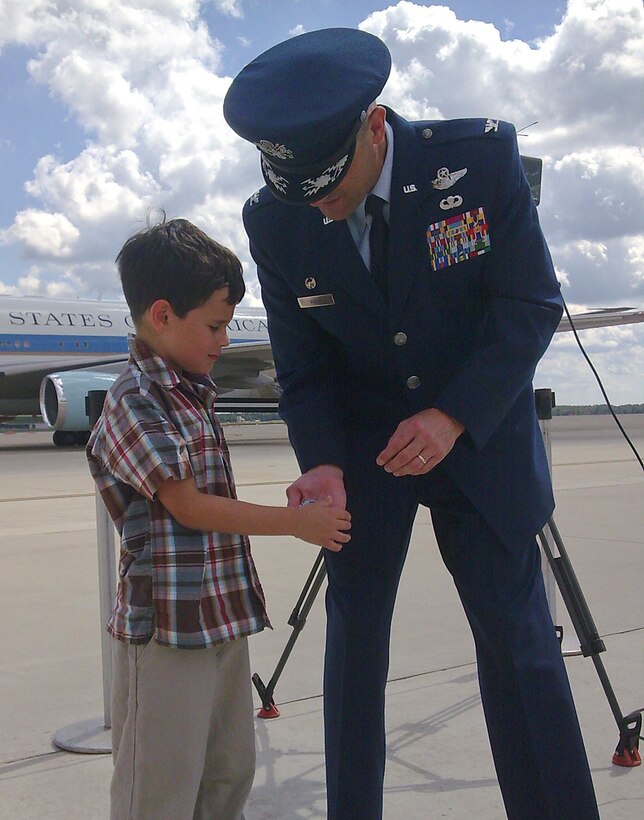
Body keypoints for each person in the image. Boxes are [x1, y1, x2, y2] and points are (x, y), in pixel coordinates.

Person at [223, 27, 600, 820]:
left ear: (375, 126)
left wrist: (454, 413)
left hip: (481, 436)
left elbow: (530, 302)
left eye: (331, 185)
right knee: (353, 651)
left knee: (521, 649)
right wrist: (321, 461)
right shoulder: (278, 220)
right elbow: (302, 365)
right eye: (304, 194)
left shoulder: (480, 161)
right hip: (363, 455)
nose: (321, 206)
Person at [86, 216, 351, 820]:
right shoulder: (134, 399)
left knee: (228, 770)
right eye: (215, 325)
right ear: (161, 316)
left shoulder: (190, 392)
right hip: (168, 630)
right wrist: (297, 525)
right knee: (160, 782)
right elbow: (185, 504)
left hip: (219, 617)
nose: (224, 340)